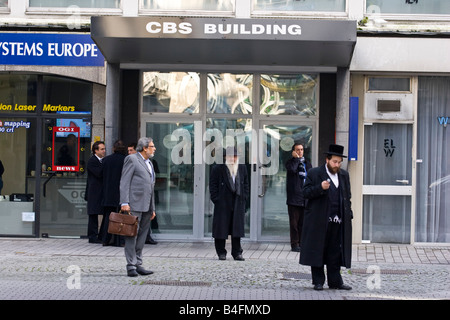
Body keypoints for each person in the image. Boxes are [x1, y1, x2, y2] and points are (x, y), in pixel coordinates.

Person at [300, 144, 353, 291]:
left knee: (335, 252)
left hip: (338, 221)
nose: (337, 165)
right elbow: (305, 193)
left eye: (339, 162)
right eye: (334, 162)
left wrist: (348, 213)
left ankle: (335, 281)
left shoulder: (343, 175)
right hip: (319, 221)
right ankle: (318, 281)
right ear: (327, 160)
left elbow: (347, 196)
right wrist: (320, 188)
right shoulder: (314, 173)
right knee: (318, 250)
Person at [120, 137, 157, 277]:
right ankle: (130, 265)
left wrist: (152, 208)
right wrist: (124, 202)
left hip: (147, 205)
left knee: (142, 236)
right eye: (152, 146)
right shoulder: (132, 159)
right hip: (134, 204)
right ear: (144, 148)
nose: (154, 149)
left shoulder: (150, 163)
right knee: (131, 235)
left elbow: (151, 187)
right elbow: (125, 181)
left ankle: (138, 263)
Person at [209, 147, 249, 261]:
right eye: (230, 156)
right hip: (223, 203)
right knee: (221, 229)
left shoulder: (242, 168)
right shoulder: (218, 168)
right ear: (225, 157)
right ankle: (221, 252)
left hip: (238, 202)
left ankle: (237, 253)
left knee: (237, 229)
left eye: (235, 156)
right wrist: (216, 199)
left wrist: (244, 197)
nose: (233, 159)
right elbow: (213, 186)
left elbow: (246, 184)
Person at [285, 142, 312, 252]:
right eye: (297, 150)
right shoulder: (290, 163)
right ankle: (295, 244)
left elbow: (311, 177)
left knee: (303, 223)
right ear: (293, 152)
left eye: (301, 150)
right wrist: (296, 159)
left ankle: (302, 243)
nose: (300, 152)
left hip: (305, 197)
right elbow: (292, 170)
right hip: (294, 198)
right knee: (294, 224)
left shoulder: (307, 163)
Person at [101, 140, 127, 247]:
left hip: (108, 192)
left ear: (113, 149)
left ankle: (106, 239)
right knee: (122, 217)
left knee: (108, 216)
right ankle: (120, 240)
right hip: (121, 192)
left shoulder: (106, 160)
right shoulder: (126, 160)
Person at [85, 141, 106, 244]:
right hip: (94, 192)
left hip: (101, 192)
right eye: (102, 149)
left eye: (104, 149)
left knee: (102, 213)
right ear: (95, 150)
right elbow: (99, 173)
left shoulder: (103, 161)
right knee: (93, 214)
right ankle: (92, 236)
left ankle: (100, 234)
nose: (104, 151)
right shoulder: (92, 161)